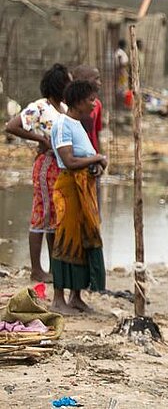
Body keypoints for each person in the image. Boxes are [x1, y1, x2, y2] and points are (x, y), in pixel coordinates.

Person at [4, 64, 71, 283]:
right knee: (41, 214)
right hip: (45, 166)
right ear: (58, 85)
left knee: (52, 215)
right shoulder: (40, 107)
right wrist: (41, 140)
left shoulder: (62, 108)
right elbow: (12, 126)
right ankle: (36, 269)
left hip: (59, 167)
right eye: (67, 82)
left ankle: (52, 267)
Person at [50, 80, 109, 313]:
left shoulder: (78, 125)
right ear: (78, 102)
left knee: (84, 239)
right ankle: (58, 299)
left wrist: (96, 164)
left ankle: (76, 296)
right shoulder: (63, 124)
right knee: (67, 240)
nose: (94, 103)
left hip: (84, 188)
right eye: (90, 99)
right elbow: (70, 161)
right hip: (69, 189)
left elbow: (87, 157)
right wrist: (97, 159)